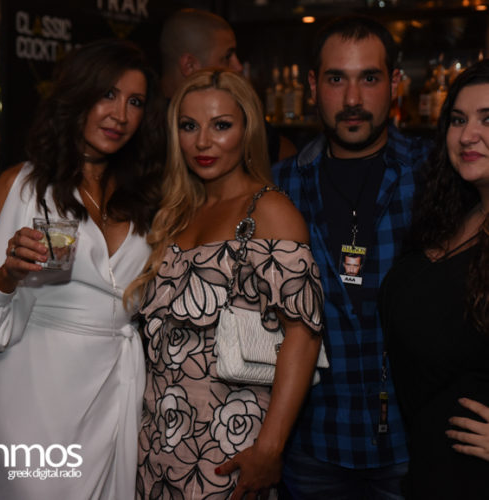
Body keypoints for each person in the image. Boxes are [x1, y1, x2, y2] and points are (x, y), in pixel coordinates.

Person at [125, 69, 326, 499]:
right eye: (189, 126)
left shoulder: (270, 211)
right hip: (156, 440)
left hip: (227, 447)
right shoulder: (175, 211)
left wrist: (269, 448)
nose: (203, 142)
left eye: (220, 125)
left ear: (247, 129)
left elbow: (303, 335)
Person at [0, 39, 165, 499]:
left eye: (135, 102)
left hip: (117, 388)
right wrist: (7, 275)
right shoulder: (21, 187)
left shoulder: (147, 197)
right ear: (77, 97)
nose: (120, 115)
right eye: (108, 94)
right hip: (34, 390)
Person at [272, 16, 432, 499]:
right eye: (337, 79)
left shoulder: (433, 174)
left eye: (370, 78)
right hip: (312, 442)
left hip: (414, 442)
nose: (353, 99)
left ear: (395, 83)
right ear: (313, 86)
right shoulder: (281, 185)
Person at [380, 59, 489, 499]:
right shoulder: (456, 215)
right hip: (428, 470)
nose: (467, 135)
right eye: (458, 120)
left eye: (488, 120)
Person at [159, 7, 297, 163]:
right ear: (189, 66)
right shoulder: (146, 126)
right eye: (227, 57)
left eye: (221, 126)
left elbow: (286, 154)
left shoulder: (241, 113)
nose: (238, 67)